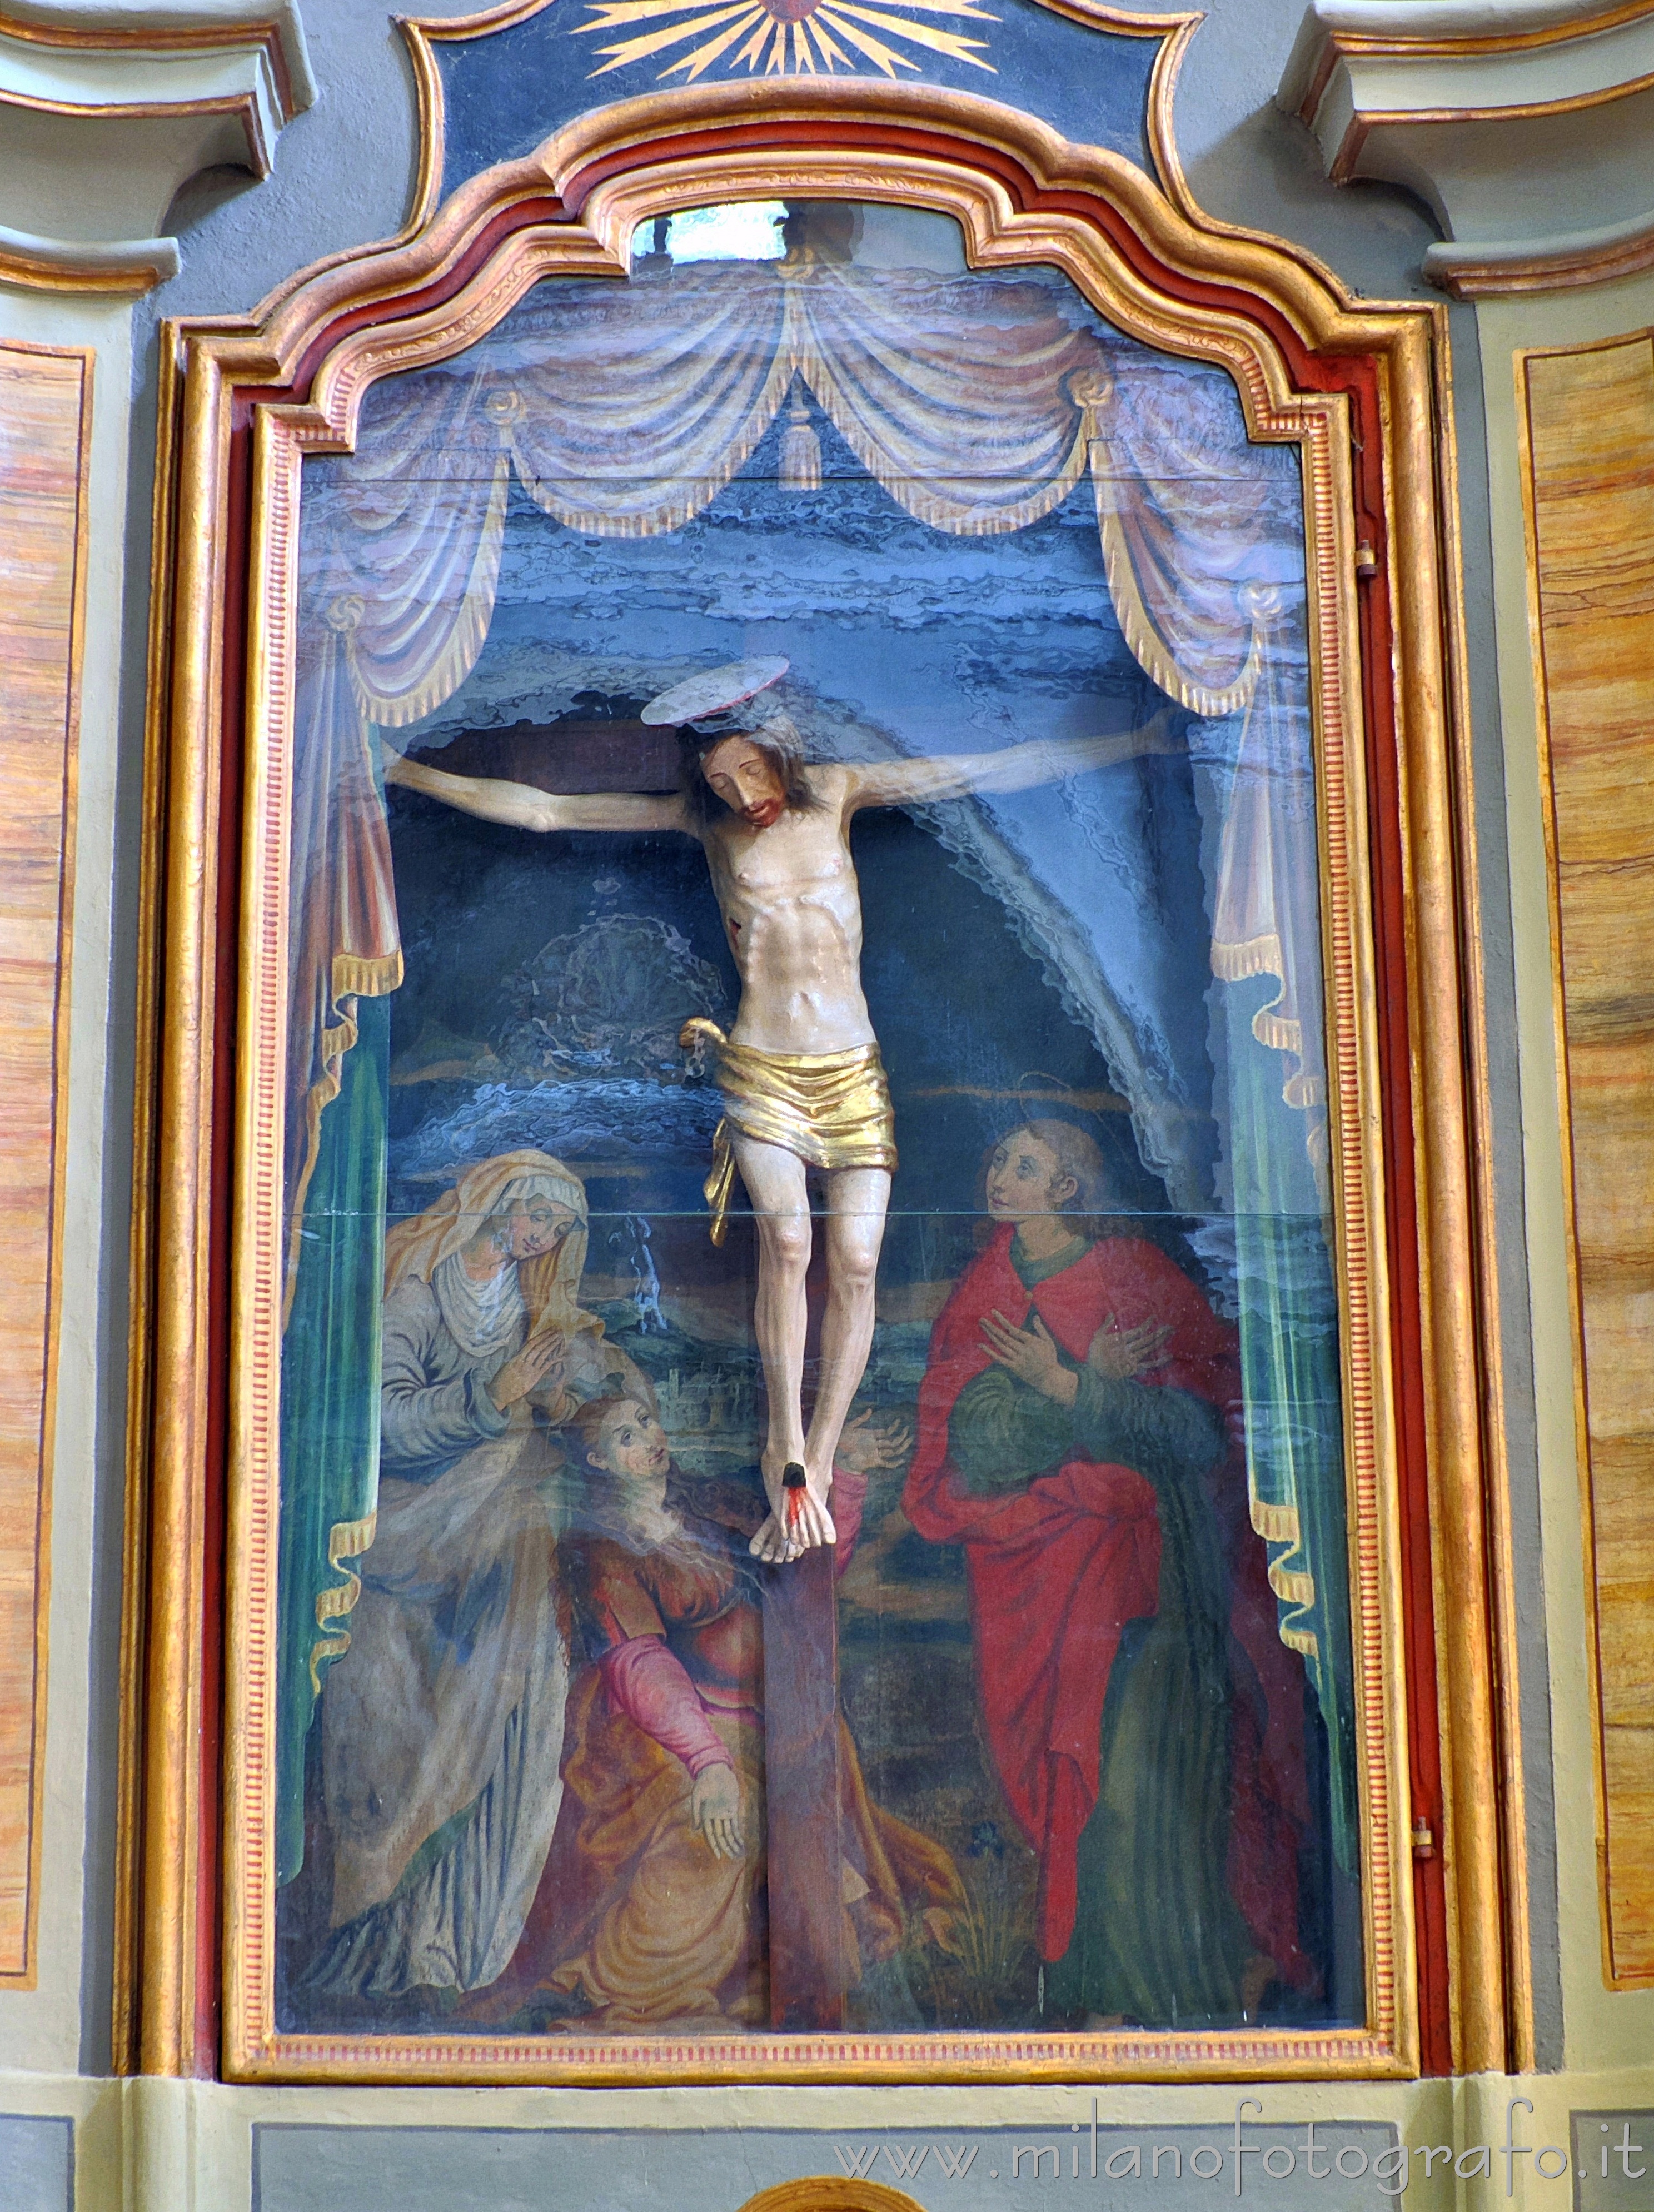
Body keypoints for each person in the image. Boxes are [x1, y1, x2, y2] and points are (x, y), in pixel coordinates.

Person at [386, 657, 1178, 1565]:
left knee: (858, 1256)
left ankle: (824, 1447)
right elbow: (546, 810)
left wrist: (1126, 742)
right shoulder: (706, 826)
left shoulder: (836, 792)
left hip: (850, 1075)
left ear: (779, 751)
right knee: (791, 1241)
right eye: (720, 782)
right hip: (763, 1069)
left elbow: (975, 772)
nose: (737, 793)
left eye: (747, 772)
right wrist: (408, 771)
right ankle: (783, 1445)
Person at [903, 1120, 1315, 2027]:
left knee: (1138, 1794)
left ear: (1068, 1187)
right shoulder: (981, 1296)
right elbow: (971, 1451)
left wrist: (1074, 1389)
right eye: (996, 1157)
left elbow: (1201, 1432)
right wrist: (1064, 1399)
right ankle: (1096, 2010)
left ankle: (1171, 2007)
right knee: (1074, 1805)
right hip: (1038, 1578)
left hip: (1146, 1583)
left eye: (1024, 1164)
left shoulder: (1133, 1278)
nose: (999, 1174)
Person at [464, 1392, 963, 2031]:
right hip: (656, 1731)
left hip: (758, 1712)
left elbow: (809, 1574)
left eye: (646, 1418)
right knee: (726, 1807)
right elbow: (640, 1665)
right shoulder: (604, 1547)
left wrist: (845, 1481)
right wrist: (709, 1762)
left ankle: (810, 1958)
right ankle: (638, 1987)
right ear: (597, 1460)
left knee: (814, 1760)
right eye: (625, 1434)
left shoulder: (714, 1507)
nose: (648, 1435)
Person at [306, 1150, 647, 2000]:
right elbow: (379, 1423)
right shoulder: (418, 1298)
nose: (540, 1238)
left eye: (558, 1230)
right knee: (389, 1737)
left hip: (496, 1552)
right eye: (534, 1216)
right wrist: (493, 1399)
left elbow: (598, 1385)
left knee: (511, 1691)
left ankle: (458, 1938)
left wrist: (580, 1394)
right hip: (408, 1540)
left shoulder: (539, 1310)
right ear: (494, 1202)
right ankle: (384, 1937)